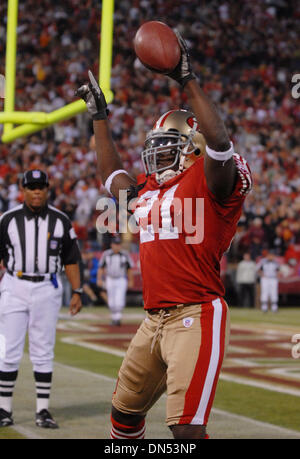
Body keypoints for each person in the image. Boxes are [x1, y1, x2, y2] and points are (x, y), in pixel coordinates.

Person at [76, 31, 252, 439]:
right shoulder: (152, 189)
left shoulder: (210, 182)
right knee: (123, 416)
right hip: (153, 318)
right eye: (154, 146)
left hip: (196, 312)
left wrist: (185, 78)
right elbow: (112, 179)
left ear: (194, 147)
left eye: (168, 145)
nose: (156, 154)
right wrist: (100, 119)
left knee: (186, 430)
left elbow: (221, 147)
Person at [0, 169, 82, 429]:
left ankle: (43, 410)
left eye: (41, 187)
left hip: (47, 285)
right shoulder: (7, 219)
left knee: (43, 350)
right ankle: (4, 408)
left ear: (48, 189)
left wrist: (77, 291)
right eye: (31, 187)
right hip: (15, 283)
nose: (36, 191)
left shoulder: (61, 221)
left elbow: (71, 258)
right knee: (8, 350)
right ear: (23, 190)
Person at [97, 235, 134, 326]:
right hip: (110, 278)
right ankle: (114, 317)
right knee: (111, 300)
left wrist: (131, 280)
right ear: (111, 245)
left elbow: (129, 269)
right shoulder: (106, 254)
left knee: (119, 299)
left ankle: (117, 318)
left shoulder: (125, 254)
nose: (116, 246)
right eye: (115, 244)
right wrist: (99, 279)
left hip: (121, 279)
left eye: (118, 244)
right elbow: (101, 268)